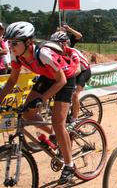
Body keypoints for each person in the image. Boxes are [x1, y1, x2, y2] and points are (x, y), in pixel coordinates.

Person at [0, 22, 77, 185]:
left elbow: (61, 79)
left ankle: (70, 165)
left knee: (58, 122)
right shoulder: (17, 55)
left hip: (64, 78)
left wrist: (41, 100)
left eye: (15, 42)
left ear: (28, 42)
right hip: (47, 76)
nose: (11, 46)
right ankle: (56, 135)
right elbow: (12, 80)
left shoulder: (43, 54)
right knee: (27, 113)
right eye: (9, 42)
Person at [50, 31, 91, 124]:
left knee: (75, 95)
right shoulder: (57, 53)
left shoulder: (72, 52)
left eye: (55, 44)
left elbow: (78, 70)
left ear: (63, 44)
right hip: (72, 72)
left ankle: (74, 121)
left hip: (83, 70)